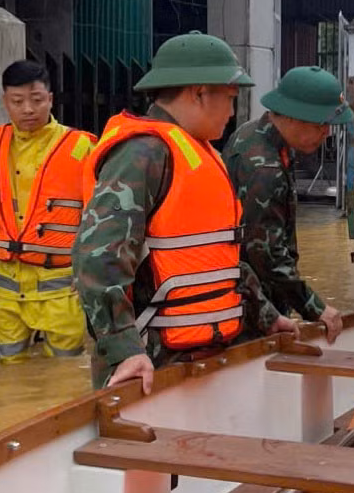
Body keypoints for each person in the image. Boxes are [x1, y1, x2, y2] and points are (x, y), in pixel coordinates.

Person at [74, 32, 298, 394]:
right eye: (229, 99)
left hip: (203, 353)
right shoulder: (143, 154)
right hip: (155, 363)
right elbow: (98, 258)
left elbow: (220, 261)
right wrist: (125, 349)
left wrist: (268, 316)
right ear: (198, 93)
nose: (232, 112)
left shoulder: (201, 153)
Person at [0, 61, 95, 361]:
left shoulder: (80, 147)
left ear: (50, 99)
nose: (28, 109)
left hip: (61, 288)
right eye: (17, 101)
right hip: (4, 289)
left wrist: (91, 272)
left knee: (66, 376)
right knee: (10, 372)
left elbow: (95, 219)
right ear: (4, 102)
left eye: (36, 100)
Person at [222, 66, 354, 345]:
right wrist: (315, 307)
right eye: (321, 124)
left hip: (247, 295)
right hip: (251, 306)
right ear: (294, 117)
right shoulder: (264, 169)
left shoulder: (252, 133)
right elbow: (267, 255)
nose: (327, 133)